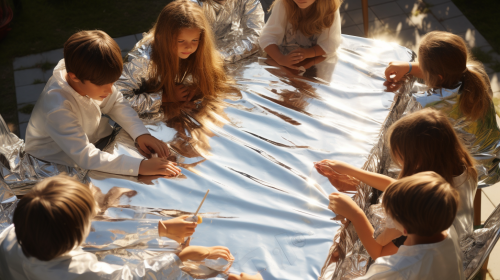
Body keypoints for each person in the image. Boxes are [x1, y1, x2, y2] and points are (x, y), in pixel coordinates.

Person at [0, 175, 233, 279]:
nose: (93, 226)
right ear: (74, 235)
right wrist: (179, 258)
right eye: (88, 222)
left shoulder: (21, 231)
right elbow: (130, 277)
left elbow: (96, 235)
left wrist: (159, 227)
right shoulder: (74, 272)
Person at [317, 108, 478, 259]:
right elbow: (397, 186)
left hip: (433, 260)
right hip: (459, 248)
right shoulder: (463, 170)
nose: (399, 163)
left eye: (401, 157)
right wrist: (351, 171)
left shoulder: (418, 208)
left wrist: (355, 213)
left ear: (418, 160)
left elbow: (378, 252)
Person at [25, 30, 180, 177]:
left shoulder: (88, 74)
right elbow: (85, 156)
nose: (110, 90)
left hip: (91, 142)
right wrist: (140, 166)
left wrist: (140, 133)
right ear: (74, 78)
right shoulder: (57, 108)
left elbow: (116, 103)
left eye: (112, 83)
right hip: (55, 162)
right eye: (103, 85)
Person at [384, 31, 500, 186]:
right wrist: (409, 66)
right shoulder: (476, 74)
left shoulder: (426, 104)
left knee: (395, 161)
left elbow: (402, 133)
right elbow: (441, 71)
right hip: (493, 161)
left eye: (423, 67)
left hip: (464, 176)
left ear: (438, 76)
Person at [115, 0, 232, 120]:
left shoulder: (199, 51)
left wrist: (196, 86)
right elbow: (117, 99)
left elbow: (212, 72)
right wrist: (164, 98)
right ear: (162, 38)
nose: (189, 47)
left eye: (195, 40)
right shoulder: (141, 61)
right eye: (180, 41)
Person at [353, 172, 464, 279]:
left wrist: (356, 214)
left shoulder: (398, 268)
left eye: (390, 219)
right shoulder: (448, 230)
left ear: (404, 230)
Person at [258, 0, 341, 70]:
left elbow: (331, 43)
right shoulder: (284, 4)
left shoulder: (330, 8)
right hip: (281, 65)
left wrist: (308, 53)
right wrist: (280, 59)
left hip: (314, 67)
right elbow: (267, 37)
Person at [190, 0, 265, 63]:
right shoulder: (191, 4)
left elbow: (255, 36)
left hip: (243, 63)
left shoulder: (248, 1)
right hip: (200, 63)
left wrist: (224, 55)